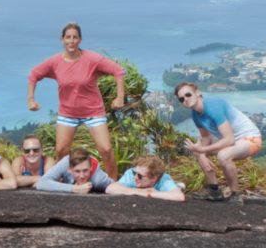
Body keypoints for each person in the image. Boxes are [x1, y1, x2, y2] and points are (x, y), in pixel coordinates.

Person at [27, 22, 125, 180]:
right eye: (68, 37)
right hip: (68, 113)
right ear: (62, 39)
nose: (71, 41)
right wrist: (31, 99)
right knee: (61, 151)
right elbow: (34, 74)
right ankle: (66, 183)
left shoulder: (92, 59)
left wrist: (120, 97)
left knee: (106, 150)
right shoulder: (55, 62)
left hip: (93, 112)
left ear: (80, 40)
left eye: (75, 37)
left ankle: (112, 183)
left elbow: (118, 71)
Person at [176, 82, 262, 203]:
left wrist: (203, 151)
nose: (185, 99)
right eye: (181, 99)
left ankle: (235, 195)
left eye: (188, 94)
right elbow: (205, 137)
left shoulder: (212, 107)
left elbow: (229, 140)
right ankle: (214, 190)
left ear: (197, 93)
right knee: (198, 149)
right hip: (233, 140)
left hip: (251, 139)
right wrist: (201, 154)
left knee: (223, 156)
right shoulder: (196, 115)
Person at [36, 148, 128, 194]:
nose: (82, 175)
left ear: (91, 168)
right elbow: (41, 183)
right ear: (69, 169)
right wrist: (73, 189)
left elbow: (115, 186)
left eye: (85, 171)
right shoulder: (65, 163)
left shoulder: (98, 178)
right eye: (77, 171)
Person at [107, 156, 186, 202]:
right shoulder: (131, 174)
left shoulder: (164, 180)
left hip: (167, 185)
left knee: (176, 188)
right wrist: (143, 192)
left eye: (140, 176)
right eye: (135, 173)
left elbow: (179, 196)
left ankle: (177, 186)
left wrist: (150, 193)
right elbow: (110, 188)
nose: (135, 177)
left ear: (154, 178)